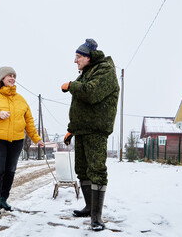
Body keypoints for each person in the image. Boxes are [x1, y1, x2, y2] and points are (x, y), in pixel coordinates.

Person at [61, 39, 119, 231]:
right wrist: (72, 129)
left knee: (97, 171)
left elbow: (91, 93)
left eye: (78, 57)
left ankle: (96, 217)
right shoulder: (87, 72)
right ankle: (88, 207)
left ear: (88, 57)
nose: (75, 61)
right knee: (82, 170)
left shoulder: (105, 70)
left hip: (96, 130)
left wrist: (71, 85)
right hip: (82, 129)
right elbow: (79, 106)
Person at [0, 66, 45, 221]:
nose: (13, 78)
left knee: (10, 171)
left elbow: (29, 122)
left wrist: (37, 139)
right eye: (9, 75)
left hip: (16, 140)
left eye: (14, 76)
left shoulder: (21, 99)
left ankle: (3, 199)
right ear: (1, 78)